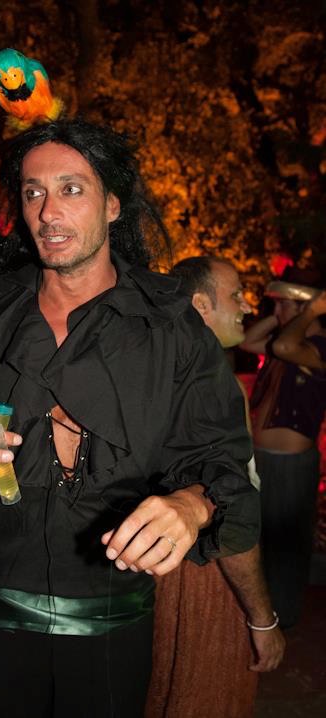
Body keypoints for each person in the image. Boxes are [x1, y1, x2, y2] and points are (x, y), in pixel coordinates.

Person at [0, 119, 260, 718]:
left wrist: (192, 504)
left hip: (115, 627)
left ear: (113, 204)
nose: (48, 211)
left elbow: (221, 460)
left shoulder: (169, 327)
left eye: (71, 189)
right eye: (33, 192)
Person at [147, 256, 285, 718]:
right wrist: (262, 619)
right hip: (208, 572)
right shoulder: (210, 388)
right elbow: (228, 514)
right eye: (236, 295)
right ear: (200, 305)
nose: (246, 306)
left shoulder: (169, 370)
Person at [241, 266, 326, 628]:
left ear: (305, 308)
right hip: (263, 459)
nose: (275, 312)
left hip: (292, 463)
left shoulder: (317, 347)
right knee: (261, 541)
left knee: (287, 546)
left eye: (282, 305)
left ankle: (285, 618)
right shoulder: (284, 341)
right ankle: (262, 614)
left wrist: (309, 311)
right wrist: (282, 315)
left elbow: (286, 346)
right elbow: (247, 341)